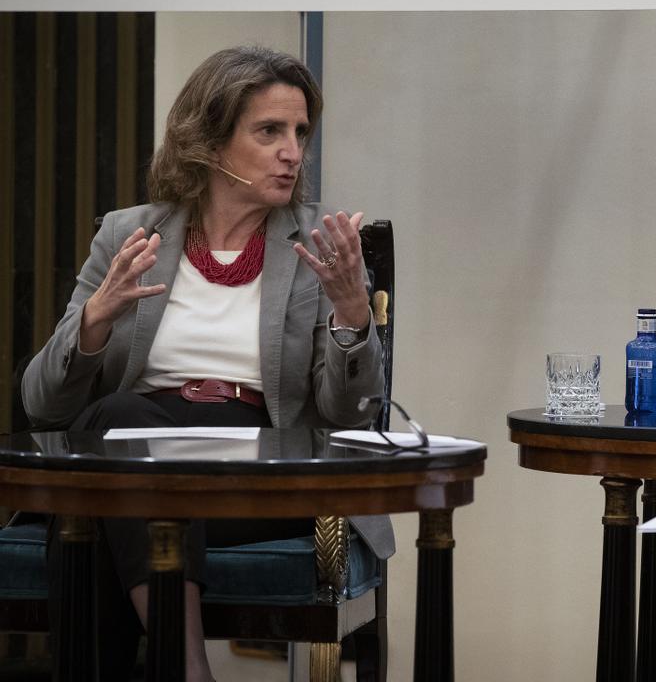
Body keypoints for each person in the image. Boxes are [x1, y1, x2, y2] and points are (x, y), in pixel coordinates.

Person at [21, 45, 390, 681]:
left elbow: (349, 416)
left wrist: (354, 319)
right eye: (270, 131)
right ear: (210, 141)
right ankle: (188, 670)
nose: (293, 152)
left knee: (97, 483)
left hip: (262, 470)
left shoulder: (317, 247)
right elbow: (41, 403)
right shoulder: (128, 235)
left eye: (300, 132)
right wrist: (93, 321)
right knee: (111, 478)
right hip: (141, 466)